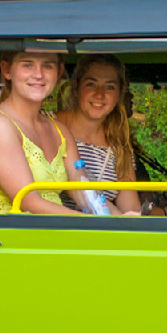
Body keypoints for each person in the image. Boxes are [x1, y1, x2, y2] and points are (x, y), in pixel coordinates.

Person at [0, 50, 80, 215]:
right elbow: (29, 201)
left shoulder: (60, 130)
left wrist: (122, 216)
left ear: (58, 73)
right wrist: (96, 222)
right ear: (6, 70)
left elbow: (84, 189)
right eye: (27, 64)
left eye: (47, 65)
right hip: (9, 235)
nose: (38, 74)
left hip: (53, 231)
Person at [56, 54, 143, 215]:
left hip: (103, 234)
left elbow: (130, 210)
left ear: (120, 93)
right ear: (76, 87)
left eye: (109, 87)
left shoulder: (119, 146)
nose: (99, 94)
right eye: (91, 84)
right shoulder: (50, 124)